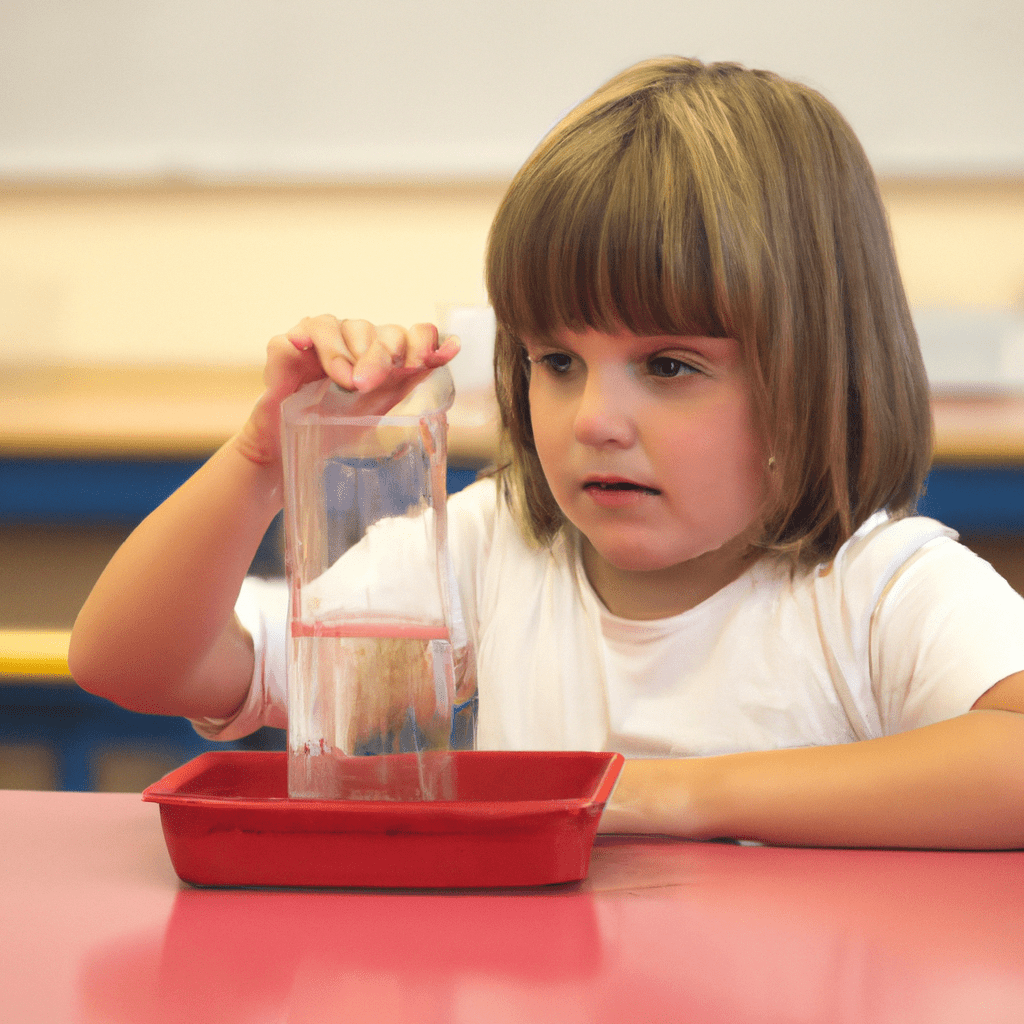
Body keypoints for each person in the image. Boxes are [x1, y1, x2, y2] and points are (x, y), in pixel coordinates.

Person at [69, 56, 1024, 848]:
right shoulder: (496, 549)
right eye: (557, 359)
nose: (592, 418)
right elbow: (137, 664)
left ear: (819, 368)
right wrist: (261, 467)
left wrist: (657, 794)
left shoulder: (879, 586)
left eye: (671, 365)